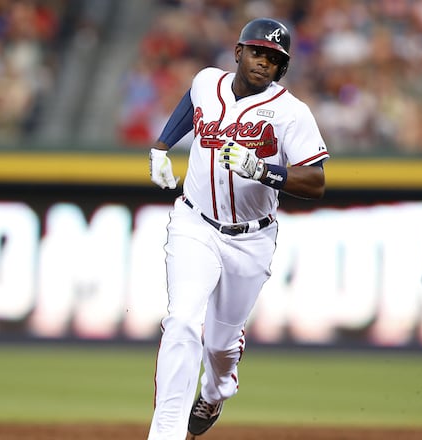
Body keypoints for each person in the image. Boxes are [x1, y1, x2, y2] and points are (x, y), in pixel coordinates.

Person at [146, 17, 329, 440]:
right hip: (194, 223)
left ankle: (217, 389)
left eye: (274, 58)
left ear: (282, 67)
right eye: (258, 52)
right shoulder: (207, 82)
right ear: (239, 52)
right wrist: (161, 146)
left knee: (221, 347)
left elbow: (316, 181)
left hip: (251, 237)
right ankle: (167, 432)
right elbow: (191, 106)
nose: (264, 62)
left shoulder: (291, 112)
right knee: (182, 321)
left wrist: (264, 170)